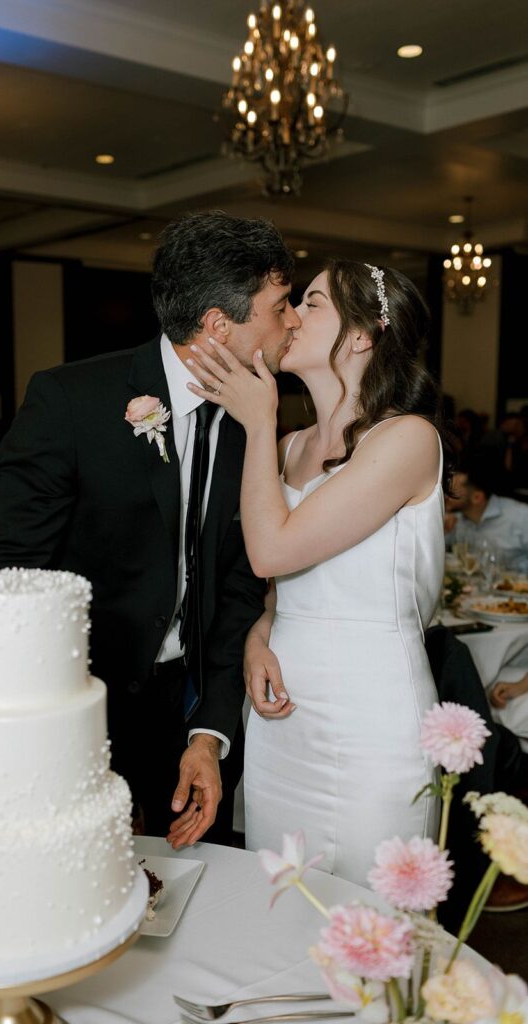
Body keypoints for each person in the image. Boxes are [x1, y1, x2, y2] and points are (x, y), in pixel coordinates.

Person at [0, 211, 299, 847]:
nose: (292, 321)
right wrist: (55, 726)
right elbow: (8, 575)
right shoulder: (70, 402)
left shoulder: (255, 421)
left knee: (195, 882)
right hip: (78, 700)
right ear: (217, 324)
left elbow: (237, 588)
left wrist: (208, 732)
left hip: (189, 698)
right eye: (280, 305)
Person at [188, 259, 450, 885]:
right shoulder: (290, 447)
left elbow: (271, 550)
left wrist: (256, 420)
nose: (290, 317)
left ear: (361, 335)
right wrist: (259, 634)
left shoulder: (406, 439)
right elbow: (278, 585)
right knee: (282, 909)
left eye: (310, 304)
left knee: (374, 928)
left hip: (373, 718)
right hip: (284, 718)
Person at [444, 455, 528, 574]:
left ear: (477, 497)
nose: (446, 496)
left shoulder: (520, 516)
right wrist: (438, 527)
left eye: (453, 493)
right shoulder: (455, 521)